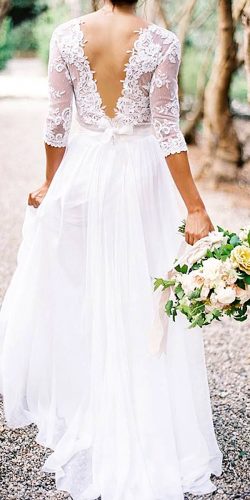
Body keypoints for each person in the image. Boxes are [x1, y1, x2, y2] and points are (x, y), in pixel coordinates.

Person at [0, 1, 223, 499]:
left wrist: (49, 184)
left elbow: (56, 124)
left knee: (86, 287)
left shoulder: (65, 36)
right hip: (140, 178)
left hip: (84, 174)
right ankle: (137, 396)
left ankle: (91, 399)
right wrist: (195, 207)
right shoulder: (161, 42)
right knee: (143, 289)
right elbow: (168, 131)